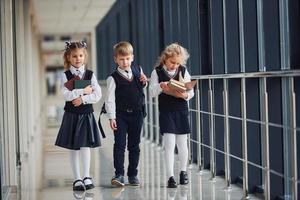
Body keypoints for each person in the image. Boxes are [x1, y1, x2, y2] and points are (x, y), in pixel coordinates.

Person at [55, 41, 102, 191]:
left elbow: (98, 94)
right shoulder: (65, 76)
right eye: (74, 56)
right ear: (68, 57)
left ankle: (87, 176)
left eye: (81, 55)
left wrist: (83, 99)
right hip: (71, 115)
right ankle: (76, 179)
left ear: (85, 56)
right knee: (74, 148)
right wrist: (83, 91)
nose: (78, 58)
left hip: (86, 114)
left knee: (85, 146)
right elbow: (66, 94)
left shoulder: (90, 75)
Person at [149, 43, 194, 188]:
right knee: (169, 144)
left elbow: (190, 92)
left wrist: (186, 94)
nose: (174, 66)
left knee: (182, 143)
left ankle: (183, 172)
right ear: (165, 59)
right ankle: (170, 176)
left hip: (181, 110)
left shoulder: (183, 71)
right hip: (166, 111)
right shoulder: (156, 72)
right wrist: (160, 87)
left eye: (177, 63)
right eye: (172, 62)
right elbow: (151, 92)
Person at [105, 41, 147, 187]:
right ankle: (119, 174)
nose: (125, 62)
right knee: (120, 145)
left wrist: (144, 81)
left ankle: (133, 174)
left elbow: (142, 85)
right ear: (115, 59)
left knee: (134, 146)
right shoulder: (113, 78)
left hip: (137, 115)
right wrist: (112, 117)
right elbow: (109, 99)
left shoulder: (138, 70)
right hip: (121, 116)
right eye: (122, 59)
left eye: (128, 58)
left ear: (132, 57)